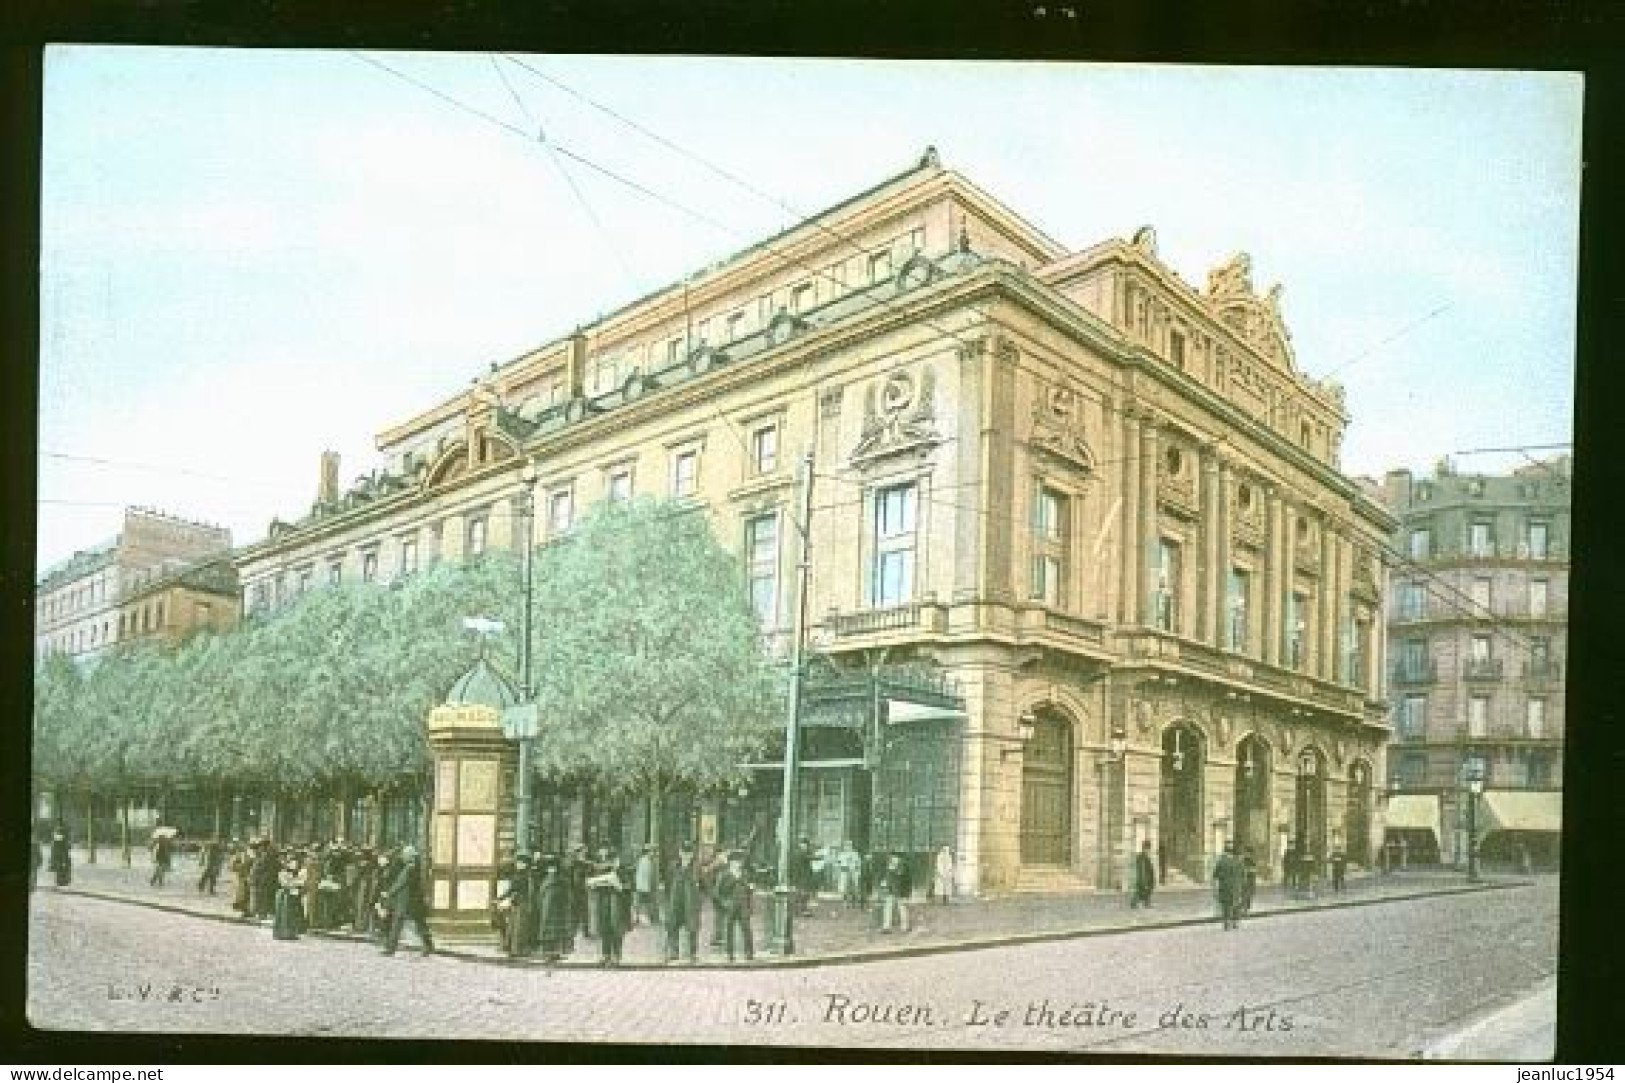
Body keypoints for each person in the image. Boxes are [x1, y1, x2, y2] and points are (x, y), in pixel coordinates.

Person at [380, 844, 434, 956]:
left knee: (398, 924)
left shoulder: (409, 868)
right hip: (414, 901)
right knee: (420, 924)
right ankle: (428, 945)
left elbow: (400, 883)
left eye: (405, 855)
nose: (403, 857)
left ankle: (390, 949)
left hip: (406, 900)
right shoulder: (415, 867)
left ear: (409, 856)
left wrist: (389, 893)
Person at [663, 846, 703, 964]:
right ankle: (673, 952)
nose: (686, 855)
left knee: (692, 929)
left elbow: (704, 885)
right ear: (680, 853)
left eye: (689, 853)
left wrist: (698, 900)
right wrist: (670, 901)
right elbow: (668, 884)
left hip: (690, 903)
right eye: (684, 852)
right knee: (673, 927)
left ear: (692, 855)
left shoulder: (696, 868)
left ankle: (693, 954)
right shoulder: (673, 867)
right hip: (676, 902)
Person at [587, 849, 626, 967]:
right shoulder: (603, 872)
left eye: (614, 861)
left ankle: (616, 956)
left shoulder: (623, 871)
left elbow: (624, 887)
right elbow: (590, 883)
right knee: (604, 928)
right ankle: (605, 955)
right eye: (611, 861)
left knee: (616, 929)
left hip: (618, 904)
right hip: (604, 902)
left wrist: (617, 884)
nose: (613, 863)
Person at [713, 851, 754, 962]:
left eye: (739, 861)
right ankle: (730, 954)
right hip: (730, 906)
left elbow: (749, 892)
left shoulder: (745, 874)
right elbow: (717, 893)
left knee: (747, 929)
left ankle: (749, 953)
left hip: (743, 906)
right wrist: (724, 904)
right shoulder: (724, 875)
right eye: (736, 862)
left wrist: (750, 906)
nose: (738, 864)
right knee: (729, 931)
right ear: (730, 863)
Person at [494, 854, 534, 958]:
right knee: (514, 926)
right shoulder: (518, 875)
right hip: (516, 903)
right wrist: (500, 898)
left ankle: (518, 950)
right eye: (518, 863)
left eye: (521, 863)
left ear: (525, 865)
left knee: (519, 927)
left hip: (522, 903)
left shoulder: (526, 876)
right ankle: (513, 949)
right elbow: (511, 890)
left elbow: (521, 891)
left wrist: (501, 898)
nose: (518, 865)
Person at [536, 856, 572, 963]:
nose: (552, 870)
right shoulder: (545, 880)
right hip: (547, 909)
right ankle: (547, 953)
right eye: (550, 868)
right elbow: (540, 894)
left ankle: (556, 953)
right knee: (547, 931)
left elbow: (567, 895)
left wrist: (566, 905)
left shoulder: (562, 880)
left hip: (558, 909)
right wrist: (541, 905)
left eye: (554, 868)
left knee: (557, 932)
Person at [1212, 842, 1245, 930]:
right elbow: (1243, 876)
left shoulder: (1221, 862)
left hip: (1224, 887)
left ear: (1224, 852)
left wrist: (1215, 889)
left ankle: (1227, 922)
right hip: (1236, 887)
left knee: (1226, 905)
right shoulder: (1239, 862)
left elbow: (1215, 875)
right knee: (1236, 904)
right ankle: (1236, 922)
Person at [877, 852, 912, 933]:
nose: (893, 859)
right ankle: (886, 927)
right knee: (887, 907)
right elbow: (885, 879)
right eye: (892, 858)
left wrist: (907, 893)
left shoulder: (904, 868)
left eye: (895, 858)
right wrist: (883, 884)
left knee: (902, 908)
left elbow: (908, 882)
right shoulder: (888, 867)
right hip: (890, 891)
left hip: (901, 892)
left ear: (899, 859)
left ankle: (905, 927)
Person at [273, 856, 304, 940]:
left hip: (292, 894)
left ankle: (291, 933)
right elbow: (285, 884)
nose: (294, 866)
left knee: (292, 914)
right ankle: (282, 933)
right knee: (284, 914)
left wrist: (295, 883)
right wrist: (294, 883)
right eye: (291, 864)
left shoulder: (294, 873)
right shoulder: (282, 873)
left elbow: (300, 882)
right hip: (284, 895)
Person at [634, 844, 659, 926]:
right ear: (648, 852)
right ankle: (640, 918)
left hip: (642, 886)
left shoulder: (644, 860)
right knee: (645, 903)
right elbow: (649, 875)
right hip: (644, 886)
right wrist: (652, 886)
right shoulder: (647, 861)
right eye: (652, 852)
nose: (653, 854)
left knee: (643, 904)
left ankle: (641, 918)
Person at [790, 837, 815, 916]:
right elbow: (808, 858)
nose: (804, 846)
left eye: (805, 845)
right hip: (800, 875)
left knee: (804, 893)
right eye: (803, 844)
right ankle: (799, 910)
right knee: (801, 893)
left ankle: (801, 909)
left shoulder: (805, 852)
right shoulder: (800, 853)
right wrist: (821, 857)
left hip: (805, 875)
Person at [836, 841, 862, 909]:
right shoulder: (841, 855)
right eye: (846, 846)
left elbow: (858, 863)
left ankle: (854, 902)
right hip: (844, 872)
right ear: (844, 847)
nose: (848, 847)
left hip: (853, 872)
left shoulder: (855, 854)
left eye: (849, 846)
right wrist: (840, 869)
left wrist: (857, 871)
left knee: (854, 887)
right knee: (844, 888)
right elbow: (838, 864)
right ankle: (845, 902)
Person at [1131, 841, 1156, 909]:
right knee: (1142, 891)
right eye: (1148, 849)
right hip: (1144, 879)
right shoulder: (1142, 858)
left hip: (1146, 879)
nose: (1149, 851)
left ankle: (1145, 903)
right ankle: (1135, 903)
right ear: (1145, 848)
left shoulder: (1144, 857)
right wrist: (1144, 881)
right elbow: (1142, 870)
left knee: (1144, 892)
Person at [1239, 847, 1259, 916]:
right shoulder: (1242, 861)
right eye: (1245, 853)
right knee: (1243, 896)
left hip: (1250, 881)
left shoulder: (1252, 861)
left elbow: (1254, 870)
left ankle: (1246, 910)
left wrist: (1248, 870)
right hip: (1244, 881)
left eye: (1247, 853)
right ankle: (1243, 910)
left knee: (1248, 896)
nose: (1246, 854)